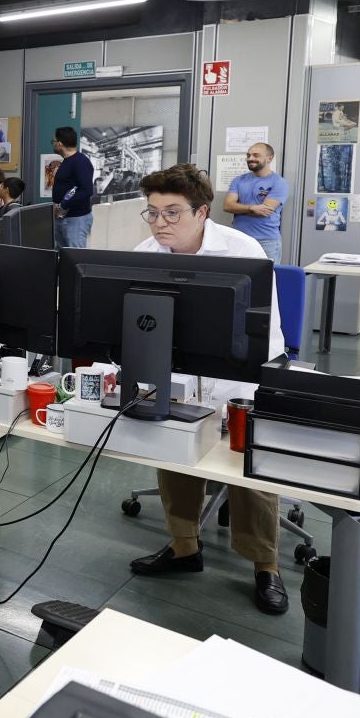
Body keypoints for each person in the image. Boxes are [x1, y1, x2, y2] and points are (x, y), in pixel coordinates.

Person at [125, 163, 290, 616]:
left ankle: (266, 565)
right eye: (153, 212)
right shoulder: (145, 253)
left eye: (171, 213)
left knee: (250, 471)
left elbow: (267, 334)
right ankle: (184, 548)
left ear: (201, 212)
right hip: (176, 378)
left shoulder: (242, 251)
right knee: (174, 452)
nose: (159, 223)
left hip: (239, 380)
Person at [224, 142, 289, 261]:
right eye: (248, 155)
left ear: (269, 158)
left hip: (266, 242)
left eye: (256, 155)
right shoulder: (238, 180)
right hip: (239, 239)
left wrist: (238, 208)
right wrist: (251, 208)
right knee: (239, 273)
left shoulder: (279, 182)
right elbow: (227, 206)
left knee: (267, 274)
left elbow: (264, 211)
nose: (250, 158)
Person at [51, 126, 95, 248]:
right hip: (64, 218)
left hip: (76, 219)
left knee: (75, 256)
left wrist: (63, 206)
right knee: (63, 255)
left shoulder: (80, 162)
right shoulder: (68, 161)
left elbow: (86, 190)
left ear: (59, 144)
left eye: (53, 141)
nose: (53, 144)